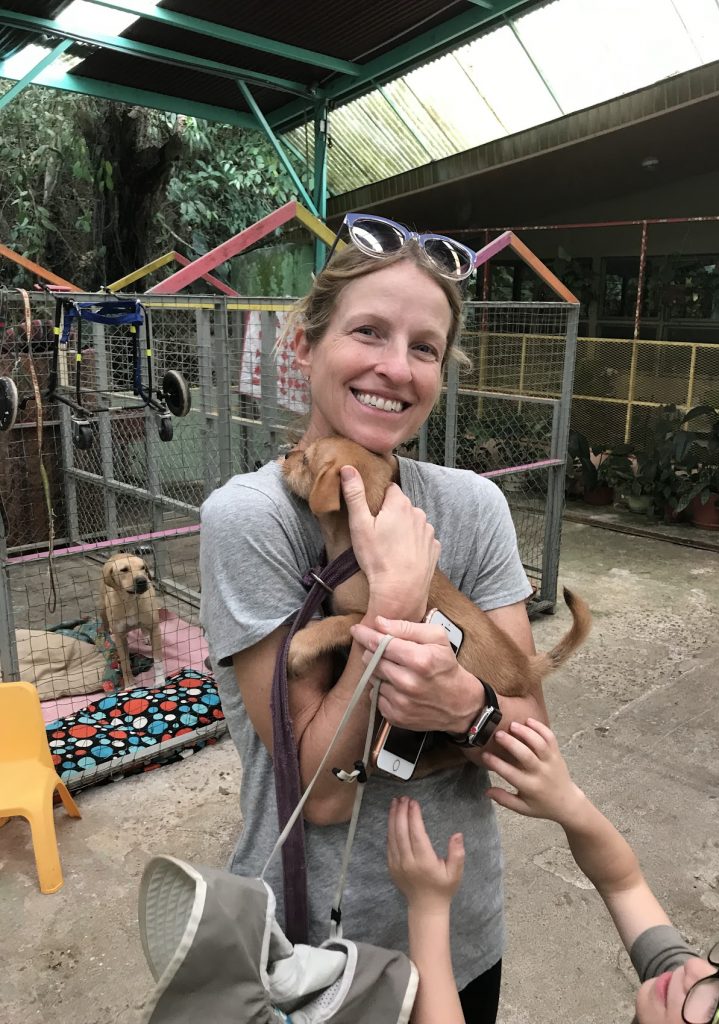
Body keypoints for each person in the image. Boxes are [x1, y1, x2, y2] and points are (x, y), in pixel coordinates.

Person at [199, 215, 546, 1024]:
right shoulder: (249, 517)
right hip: (317, 944)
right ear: (302, 350)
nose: (396, 368)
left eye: (424, 347)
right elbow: (319, 796)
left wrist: (467, 708)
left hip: (460, 923)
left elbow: (528, 727)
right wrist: (391, 603)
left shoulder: (472, 505)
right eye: (367, 332)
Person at [385, 717, 719, 1024]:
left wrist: (428, 910)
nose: (696, 969)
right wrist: (569, 803)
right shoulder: (688, 987)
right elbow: (624, 885)